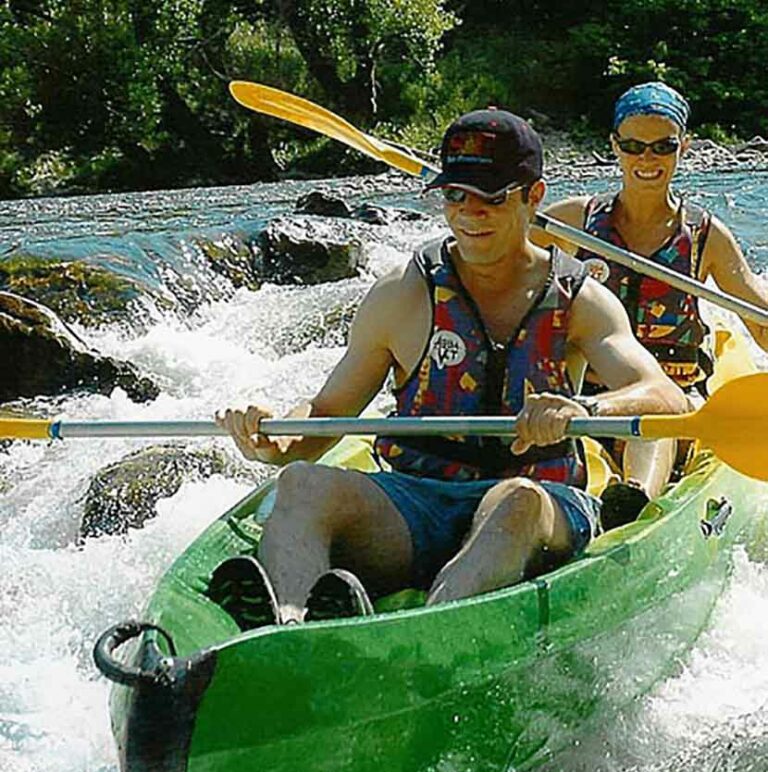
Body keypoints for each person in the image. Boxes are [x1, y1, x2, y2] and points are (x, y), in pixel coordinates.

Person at [211, 108, 686, 628]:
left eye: (491, 197)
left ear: (533, 197)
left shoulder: (579, 298)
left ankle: (424, 637)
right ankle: (287, 629)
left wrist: (587, 407)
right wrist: (269, 438)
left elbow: (662, 394)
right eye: (456, 196)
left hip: (537, 506)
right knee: (301, 483)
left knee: (517, 501)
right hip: (418, 503)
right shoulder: (403, 292)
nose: (469, 213)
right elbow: (322, 418)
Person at [533, 81, 768, 527]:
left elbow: (757, 314)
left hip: (673, 399)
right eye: (633, 146)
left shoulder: (704, 236)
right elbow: (496, 258)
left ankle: (631, 505)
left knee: (654, 414)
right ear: (614, 146)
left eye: (662, 146)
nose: (647, 159)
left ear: (684, 146)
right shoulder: (574, 221)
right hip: (591, 396)